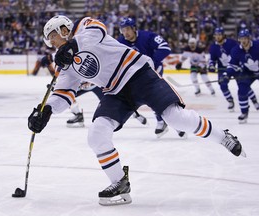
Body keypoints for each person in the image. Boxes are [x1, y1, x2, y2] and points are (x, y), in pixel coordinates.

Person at [28, 15, 245, 206]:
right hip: (115, 92)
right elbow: (64, 94)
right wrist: (46, 111)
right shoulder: (64, 63)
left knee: (176, 118)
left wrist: (73, 45)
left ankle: (223, 137)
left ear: (64, 30)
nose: (52, 44)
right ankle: (119, 183)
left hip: (138, 74)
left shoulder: (84, 27)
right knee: (97, 134)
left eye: (53, 38)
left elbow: (97, 29)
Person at [117, 17, 186, 138]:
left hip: (153, 70)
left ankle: (167, 122)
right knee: (152, 97)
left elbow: (165, 48)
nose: (125, 32)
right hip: (136, 74)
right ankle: (168, 122)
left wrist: (151, 62)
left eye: (127, 29)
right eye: (123, 30)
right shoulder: (121, 41)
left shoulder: (148, 36)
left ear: (134, 28)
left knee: (157, 96)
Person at [209, 27, 259, 112]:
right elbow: (212, 59)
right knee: (222, 84)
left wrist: (241, 63)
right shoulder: (213, 47)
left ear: (223, 35)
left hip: (236, 67)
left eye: (219, 35)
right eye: (216, 35)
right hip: (223, 69)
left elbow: (241, 52)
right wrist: (211, 65)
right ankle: (230, 101)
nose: (217, 37)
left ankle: (254, 100)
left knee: (243, 84)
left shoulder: (231, 43)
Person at [225, 28, 259, 123]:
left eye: (245, 38)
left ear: (249, 38)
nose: (243, 40)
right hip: (247, 72)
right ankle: (244, 113)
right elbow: (232, 64)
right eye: (241, 38)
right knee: (242, 90)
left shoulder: (257, 45)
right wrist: (227, 74)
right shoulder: (236, 50)